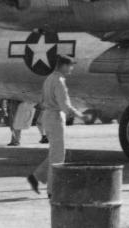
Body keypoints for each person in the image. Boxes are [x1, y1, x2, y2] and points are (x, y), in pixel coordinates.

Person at [27, 55, 84, 196]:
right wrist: (80, 115)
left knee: (54, 152)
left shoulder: (49, 79)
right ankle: (53, 190)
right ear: (63, 65)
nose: (72, 68)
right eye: (70, 65)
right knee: (58, 155)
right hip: (55, 117)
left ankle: (36, 177)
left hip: (48, 116)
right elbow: (64, 105)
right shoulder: (59, 81)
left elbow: (43, 100)